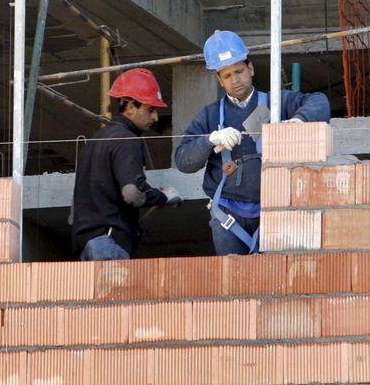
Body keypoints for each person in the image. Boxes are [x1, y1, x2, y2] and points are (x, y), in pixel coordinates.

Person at [174, 30, 330, 255]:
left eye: (239, 71)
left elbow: (320, 102)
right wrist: (209, 140)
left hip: (273, 209)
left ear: (251, 68)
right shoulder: (209, 116)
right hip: (227, 216)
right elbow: (183, 161)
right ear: (219, 79)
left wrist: (297, 120)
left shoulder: (276, 104)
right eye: (226, 75)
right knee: (234, 284)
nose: (235, 80)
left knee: (274, 279)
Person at [72, 68, 183, 261]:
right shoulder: (127, 139)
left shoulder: (95, 141)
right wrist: (163, 196)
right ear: (131, 107)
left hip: (85, 245)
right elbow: (133, 193)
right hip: (109, 243)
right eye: (151, 109)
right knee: (115, 292)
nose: (156, 117)